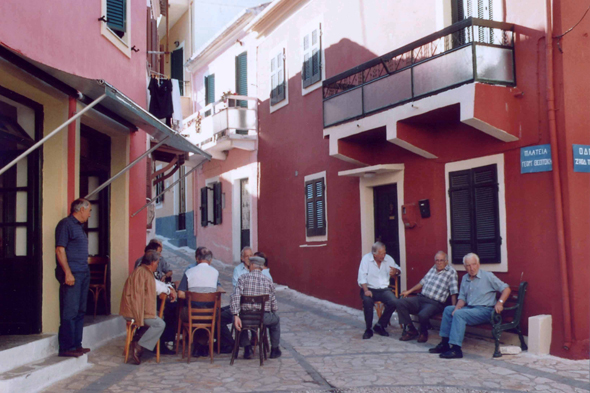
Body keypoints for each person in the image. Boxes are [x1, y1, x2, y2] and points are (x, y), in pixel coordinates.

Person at [429, 253, 511, 359]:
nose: (471, 268)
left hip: (485, 311)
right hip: (470, 309)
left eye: (474, 264)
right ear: (464, 267)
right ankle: (444, 343)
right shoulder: (465, 278)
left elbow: (506, 289)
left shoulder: (488, 276)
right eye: (468, 265)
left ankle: (456, 349)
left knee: (459, 314)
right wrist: (457, 308)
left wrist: (500, 302)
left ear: (478, 264)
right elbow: (462, 298)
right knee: (448, 310)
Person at [120, 250, 177, 365]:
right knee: (160, 324)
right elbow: (157, 287)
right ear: (152, 262)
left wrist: (168, 288)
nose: (157, 266)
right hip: (134, 311)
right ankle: (138, 346)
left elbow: (156, 284)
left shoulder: (142, 271)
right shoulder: (143, 273)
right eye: (156, 263)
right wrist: (169, 290)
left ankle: (137, 340)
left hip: (135, 308)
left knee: (154, 321)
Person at [55, 198, 93, 357]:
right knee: (70, 311)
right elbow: (60, 250)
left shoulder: (80, 227)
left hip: (83, 272)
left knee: (80, 310)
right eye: (89, 210)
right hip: (73, 273)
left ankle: (77, 344)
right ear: (81, 210)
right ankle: (67, 347)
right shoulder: (66, 224)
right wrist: (68, 273)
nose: (90, 214)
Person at [177, 248, 233, 356]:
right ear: (210, 260)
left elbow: (180, 294)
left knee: (185, 311)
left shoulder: (189, 272)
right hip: (210, 315)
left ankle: (199, 345)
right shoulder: (215, 272)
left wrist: (192, 296)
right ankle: (202, 345)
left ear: (197, 259)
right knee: (212, 313)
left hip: (191, 314)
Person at [397, 251, 458, 343]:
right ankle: (411, 329)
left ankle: (423, 332)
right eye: (437, 260)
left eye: (441, 260)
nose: (439, 262)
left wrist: (454, 307)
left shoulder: (451, 272)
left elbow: (454, 291)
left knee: (423, 314)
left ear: (446, 261)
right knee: (400, 303)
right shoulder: (433, 268)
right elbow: (422, 283)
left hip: (435, 303)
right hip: (421, 298)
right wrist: (408, 291)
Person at [231, 256, 282, 359]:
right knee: (276, 320)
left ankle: (247, 348)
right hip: (263, 318)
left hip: (246, 317)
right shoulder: (268, 280)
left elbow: (235, 297)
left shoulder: (242, 278)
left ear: (252, 265)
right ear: (261, 267)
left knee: (240, 321)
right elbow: (273, 303)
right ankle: (274, 349)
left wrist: (236, 314)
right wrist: (274, 311)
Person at [357, 241, 401, 339]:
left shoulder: (389, 259)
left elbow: (398, 269)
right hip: (369, 289)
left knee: (394, 301)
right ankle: (368, 329)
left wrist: (396, 272)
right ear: (374, 254)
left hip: (384, 290)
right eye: (381, 254)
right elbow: (361, 277)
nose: (383, 255)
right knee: (367, 301)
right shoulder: (366, 259)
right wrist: (366, 290)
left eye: (384, 253)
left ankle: (380, 325)